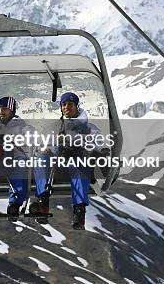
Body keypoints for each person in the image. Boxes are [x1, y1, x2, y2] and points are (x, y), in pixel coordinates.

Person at [30, 91, 100, 230]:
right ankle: (42, 202)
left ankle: (79, 211)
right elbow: (43, 142)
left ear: (76, 106)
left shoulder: (89, 128)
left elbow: (96, 145)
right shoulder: (55, 127)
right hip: (57, 162)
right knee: (42, 159)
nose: (66, 107)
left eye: (70, 104)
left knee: (80, 162)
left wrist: (76, 145)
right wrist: (47, 148)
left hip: (77, 160)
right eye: (64, 104)